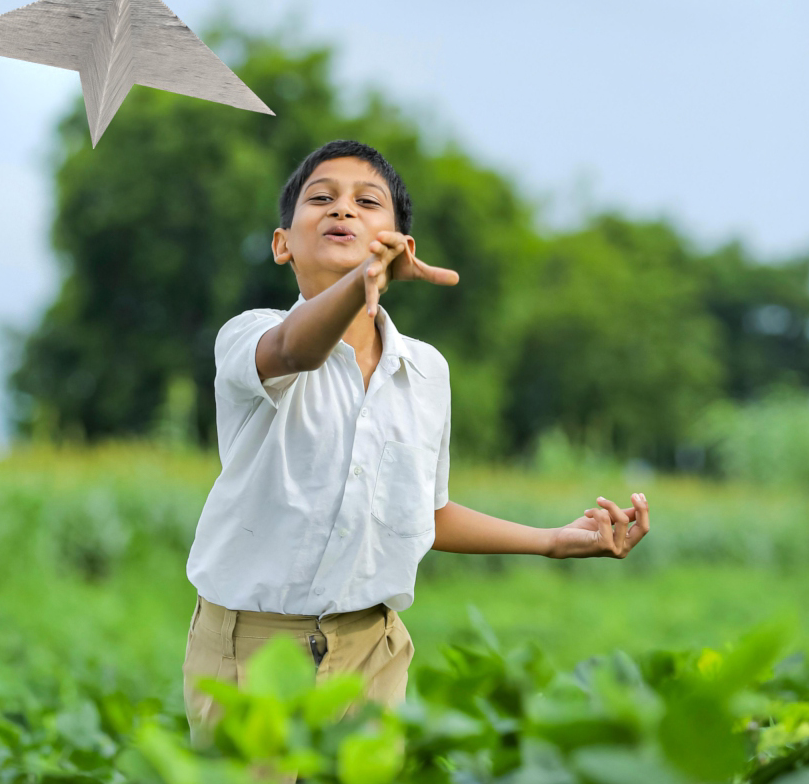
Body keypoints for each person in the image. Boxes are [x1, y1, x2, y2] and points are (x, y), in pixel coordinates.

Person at [182, 139, 651, 744]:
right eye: (320, 199)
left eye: (367, 201)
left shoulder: (427, 370)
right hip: (252, 647)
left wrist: (551, 541)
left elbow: (424, 513)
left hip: (372, 647)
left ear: (403, 244)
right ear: (282, 245)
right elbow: (296, 349)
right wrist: (362, 283)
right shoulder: (251, 335)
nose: (342, 210)